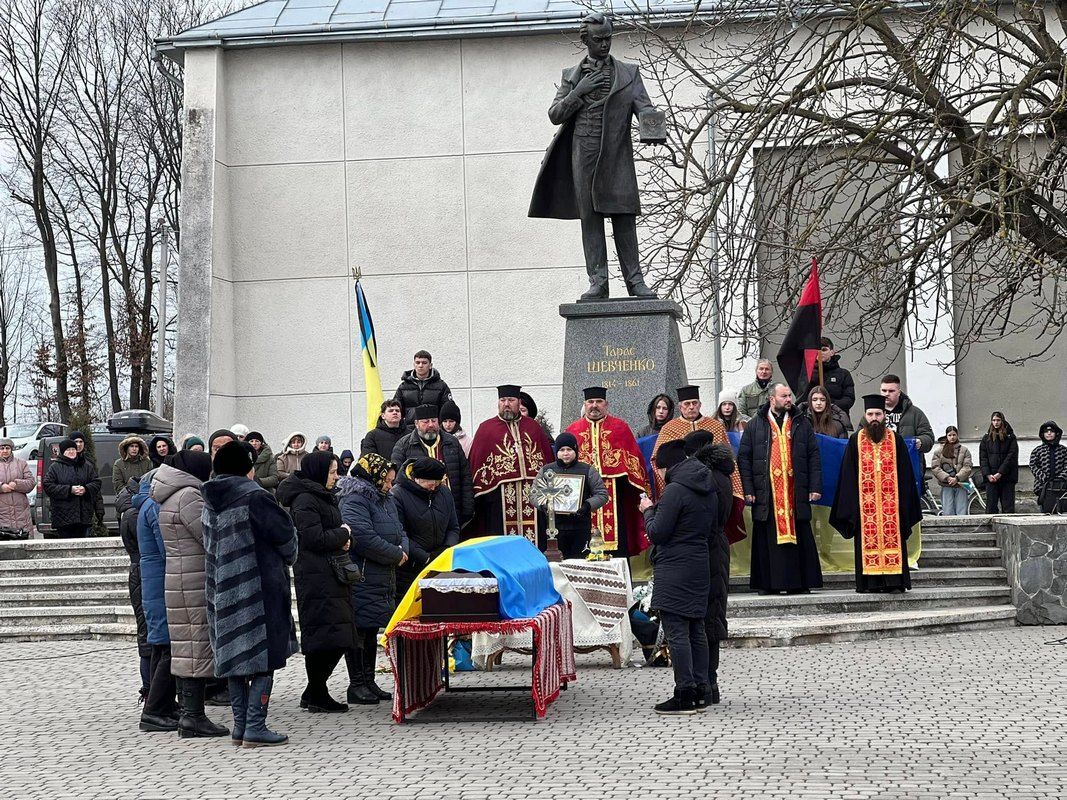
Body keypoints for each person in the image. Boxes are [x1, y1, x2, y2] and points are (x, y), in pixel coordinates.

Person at [528, 12, 658, 300]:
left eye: (608, 38)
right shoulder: (571, 77)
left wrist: (652, 129)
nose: (604, 45)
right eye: (598, 40)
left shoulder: (629, 73)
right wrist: (580, 91)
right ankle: (598, 281)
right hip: (583, 153)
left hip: (616, 154)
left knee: (624, 217)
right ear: (585, 41)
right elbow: (555, 115)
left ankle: (635, 281)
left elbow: (645, 107)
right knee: (591, 218)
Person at [203, 441, 299, 748]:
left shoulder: (208, 499)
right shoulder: (256, 497)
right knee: (264, 657)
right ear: (247, 467)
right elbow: (286, 541)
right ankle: (256, 726)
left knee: (233, 658)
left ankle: (240, 727)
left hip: (223, 588)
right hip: (260, 588)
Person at [153, 451, 229, 738]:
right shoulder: (188, 496)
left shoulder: (173, 493)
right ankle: (193, 717)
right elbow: (209, 534)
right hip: (192, 579)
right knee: (196, 647)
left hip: (182, 578)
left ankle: (189, 714)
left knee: (188, 648)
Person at [276, 450, 357, 713]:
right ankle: (316, 692)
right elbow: (313, 538)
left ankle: (314, 691)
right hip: (315, 575)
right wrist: (342, 534)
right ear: (319, 472)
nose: (336, 477)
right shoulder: (305, 500)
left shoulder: (322, 495)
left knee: (339, 634)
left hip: (332, 573)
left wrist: (343, 537)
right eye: (332, 472)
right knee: (324, 636)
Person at [640, 439, 714, 715]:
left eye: (658, 470)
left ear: (665, 467)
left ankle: (684, 693)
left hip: (675, 565)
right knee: (696, 628)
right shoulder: (706, 486)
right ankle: (701, 690)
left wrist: (648, 510)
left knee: (676, 630)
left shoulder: (675, 490)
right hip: (699, 560)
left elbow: (658, 532)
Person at [830, 395, 923, 593]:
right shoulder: (856, 440)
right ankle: (870, 584)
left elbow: (906, 475)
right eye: (870, 414)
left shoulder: (895, 440)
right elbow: (847, 476)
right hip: (866, 511)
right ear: (865, 415)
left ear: (884, 415)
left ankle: (894, 583)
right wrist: (852, 506)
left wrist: (904, 505)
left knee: (894, 541)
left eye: (878, 414)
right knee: (867, 543)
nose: (874, 418)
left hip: (892, 509)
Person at [737, 383, 823, 595]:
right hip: (767, 493)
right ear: (771, 399)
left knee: (800, 536)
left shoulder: (801, 423)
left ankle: (799, 583)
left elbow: (813, 455)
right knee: (767, 538)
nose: (788, 400)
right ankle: (768, 584)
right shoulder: (755, 425)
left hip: (795, 490)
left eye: (789, 396)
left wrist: (814, 485)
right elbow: (744, 459)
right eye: (784, 396)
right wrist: (748, 488)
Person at [338, 453, 407, 706]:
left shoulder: (384, 499)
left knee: (369, 629)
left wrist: (403, 549)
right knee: (359, 630)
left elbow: (400, 530)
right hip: (363, 574)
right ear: (375, 477)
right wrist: (395, 554)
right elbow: (363, 537)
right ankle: (356, 684)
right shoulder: (355, 500)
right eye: (387, 480)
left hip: (381, 574)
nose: (390, 485)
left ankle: (368, 681)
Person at [565, 387, 650, 556]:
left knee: (618, 545)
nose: (594, 406)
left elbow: (635, 464)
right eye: (590, 402)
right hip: (584, 495)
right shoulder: (573, 430)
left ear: (606, 404)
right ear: (585, 404)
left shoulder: (620, 427)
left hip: (616, 494)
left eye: (598, 402)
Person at [469, 385, 555, 541]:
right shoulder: (486, 429)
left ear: (518, 402)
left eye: (510, 400)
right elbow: (477, 465)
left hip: (532, 493)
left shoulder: (533, 427)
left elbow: (547, 459)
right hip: (498, 497)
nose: (506, 404)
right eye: (502, 400)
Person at [687, 432, 736, 706]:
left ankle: (705, 683)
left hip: (704, 550)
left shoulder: (705, 478)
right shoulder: (722, 475)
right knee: (713, 618)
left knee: (704, 619)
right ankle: (711, 682)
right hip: (717, 548)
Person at [651, 386, 744, 513]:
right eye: (687, 404)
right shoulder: (669, 428)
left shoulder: (715, 426)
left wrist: (736, 489)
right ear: (680, 407)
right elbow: (657, 460)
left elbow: (729, 458)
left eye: (695, 403)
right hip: (681, 489)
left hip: (713, 487)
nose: (691, 407)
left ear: (700, 405)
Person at [135, 470, 175, 731]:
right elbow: (168, 547)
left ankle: (164, 704)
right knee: (166, 648)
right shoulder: (153, 507)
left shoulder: (147, 505)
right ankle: (154, 711)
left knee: (162, 646)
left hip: (154, 582)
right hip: (159, 582)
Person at [390, 405, 474, 527]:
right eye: (425, 422)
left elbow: (465, 475)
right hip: (418, 514)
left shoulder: (452, 442)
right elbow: (397, 481)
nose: (431, 425)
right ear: (416, 423)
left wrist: (467, 508)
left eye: (434, 421)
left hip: (452, 511)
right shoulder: (404, 445)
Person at [391, 457, 461, 600]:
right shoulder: (397, 495)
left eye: (438, 483)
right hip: (410, 567)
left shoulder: (444, 492)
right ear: (418, 479)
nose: (435, 487)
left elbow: (453, 527)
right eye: (431, 483)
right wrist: (425, 557)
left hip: (441, 563)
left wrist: (446, 549)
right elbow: (400, 533)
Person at [531, 433, 608, 558]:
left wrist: (587, 506)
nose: (566, 453)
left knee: (580, 563)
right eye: (562, 450)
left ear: (576, 451)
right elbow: (534, 493)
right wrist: (544, 505)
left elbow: (602, 494)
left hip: (580, 526)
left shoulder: (588, 470)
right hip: (554, 528)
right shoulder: (546, 471)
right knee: (556, 563)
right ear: (556, 452)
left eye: (569, 449)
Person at [116, 476, 150, 702]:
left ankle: (148, 688)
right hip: (146, 572)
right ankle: (151, 690)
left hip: (136, 571)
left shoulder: (127, 514)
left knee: (144, 633)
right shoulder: (139, 514)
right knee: (149, 635)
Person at [43, 438, 101, 539]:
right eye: (68, 450)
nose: (71, 452)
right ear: (63, 452)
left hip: (83, 515)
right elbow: (48, 486)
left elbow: (96, 482)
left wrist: (86, 489)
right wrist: (70, 490)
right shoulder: (55, 467)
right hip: (63, 515)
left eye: (73, 449)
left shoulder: (86, 465)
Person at [394, 350, 453, 427]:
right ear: (414, 365)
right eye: (417, 362)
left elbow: (448, 410)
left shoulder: (441, 386)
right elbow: (396, 408)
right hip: (409, 429)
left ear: (430, 365)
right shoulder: (403, 387)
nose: (420, 365)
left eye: (424, 363)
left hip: (432, 429)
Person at [879, 375, 935, 453]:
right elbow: (860, 436)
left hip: (908, 461)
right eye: (884, 391)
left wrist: (921, 442)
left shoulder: (915, 413)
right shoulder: (871, 414)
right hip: (880, 461)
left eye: (891, 391)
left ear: (899, 392)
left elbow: (929, 437)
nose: (887, 394)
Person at [979, 411, 1019, 513]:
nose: (996, 422)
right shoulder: (986, 438)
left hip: (1007, 477)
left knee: (1008, 507)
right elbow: (983, 458)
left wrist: (1000, 473)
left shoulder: (1010, 437)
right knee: (991, 507)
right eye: (994, 420)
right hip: (991, 479)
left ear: (1002, 421)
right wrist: (988, 475)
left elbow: (1011, 457)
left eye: (998, 420)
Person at [931, 426, 973, 516]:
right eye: (949, 435)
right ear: (946, 436)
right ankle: (949, 530)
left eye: (954, 435)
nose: (952, 437)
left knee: (962, 510)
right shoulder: (939, 451)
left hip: (961, 484)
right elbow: (935, 467)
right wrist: (947, 478)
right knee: (948, 510)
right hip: (946, 484)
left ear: (957, 435)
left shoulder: (964, 450)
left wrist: (957, 478)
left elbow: (967, 466)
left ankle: (961, 529)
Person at [0, 438, 36, 536]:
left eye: (7, 448)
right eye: (2, 448)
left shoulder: (21, 463)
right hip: (2, 514)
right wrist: (1, 487)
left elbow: (31, 483)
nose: (5, 451)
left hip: (21, 514)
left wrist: (16, 484)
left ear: (11, 449)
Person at [1030, 421, 1067, 514]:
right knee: (1046, 510)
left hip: (1061, 486)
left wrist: (1060, 477)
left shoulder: (1063, 450)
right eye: (1046, 432)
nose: (1049, 433)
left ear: (1056, 433)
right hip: (1043, 486)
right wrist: (1043, 477)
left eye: (1051, 431)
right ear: (1043, 434)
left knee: (1062, 509)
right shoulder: (1037, 451)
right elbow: (1033, 465)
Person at [815, 337, 855, 419]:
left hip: (837, 419)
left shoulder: (843, 374)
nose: (820, 352)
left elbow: (849, 399)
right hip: (814, 420)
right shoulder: (809, 375)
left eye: (824, 349)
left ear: (832, 352)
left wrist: (829, 404)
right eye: (817, 350)